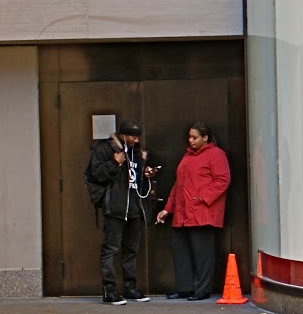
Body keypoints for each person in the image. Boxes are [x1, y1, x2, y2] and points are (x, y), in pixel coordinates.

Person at [155, 122, 231, 300]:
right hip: (183, 212)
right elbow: (178, 185)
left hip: (202, 212)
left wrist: (203, 198)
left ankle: (202, 290)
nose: (191, 140)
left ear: (205, 138)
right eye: (189, 137)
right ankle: (185, 287)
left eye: (194, 137)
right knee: (180, 250)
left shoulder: (216, 154)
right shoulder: (188, 156)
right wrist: (168, 209)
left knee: (202, 253)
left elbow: (223, 179)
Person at [85, 120, 158, 304]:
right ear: (123, 135)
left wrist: (147, 173)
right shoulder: (105, 149)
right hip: (115, 207)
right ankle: (109, 290)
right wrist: (114, 163)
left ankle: (130, 288)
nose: (135, 139)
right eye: (132, 136)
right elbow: (95, 174)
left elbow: (137, 179)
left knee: (131, 249)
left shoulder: (137, 152)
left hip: (135, 206)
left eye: (137, 136)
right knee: (111, 248)